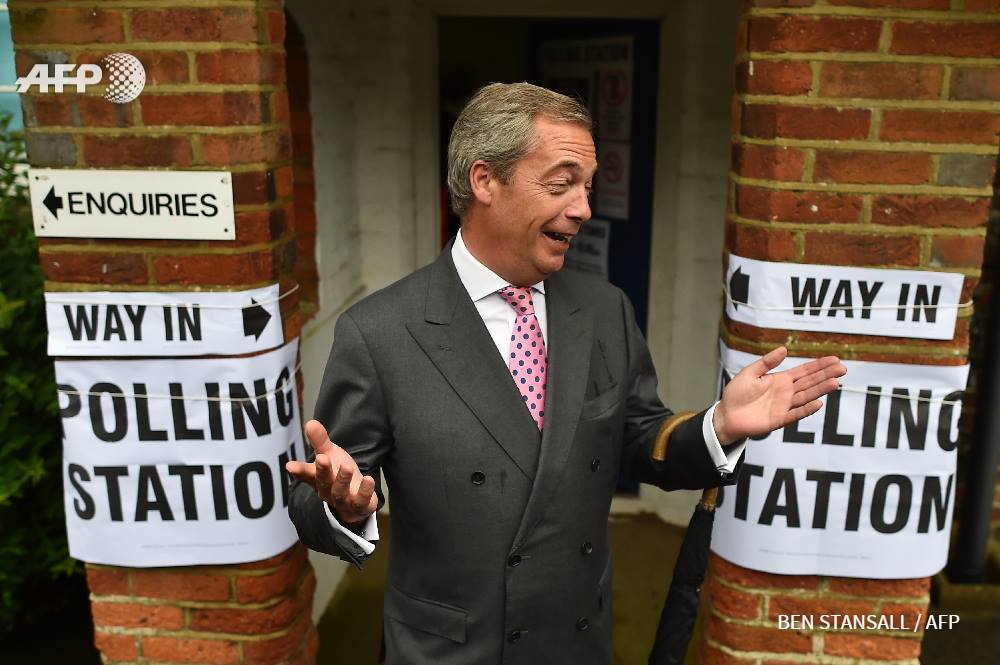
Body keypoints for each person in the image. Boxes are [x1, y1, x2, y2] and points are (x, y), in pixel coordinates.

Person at [286, 82, 846, 664]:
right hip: (449, 651)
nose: (582, 207)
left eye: (586, 186)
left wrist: (720, 426)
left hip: (577, 641)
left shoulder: (604, 309)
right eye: (560, 184)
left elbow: (637, 436)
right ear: (485, 181)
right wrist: (344, 506)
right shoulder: (380, 331)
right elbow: (317, 494)